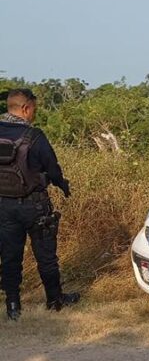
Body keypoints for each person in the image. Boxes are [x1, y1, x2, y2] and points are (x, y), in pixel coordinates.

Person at [0, 88, 79, 321]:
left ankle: (13, 305)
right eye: (34, 108)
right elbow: (52, 169)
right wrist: (62, 185)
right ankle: (55, 300)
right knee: (45, 255)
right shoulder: (34, 136)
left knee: (10, 256)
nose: (34, 113)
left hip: (4, 205)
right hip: (34, 206)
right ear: (25, 108)